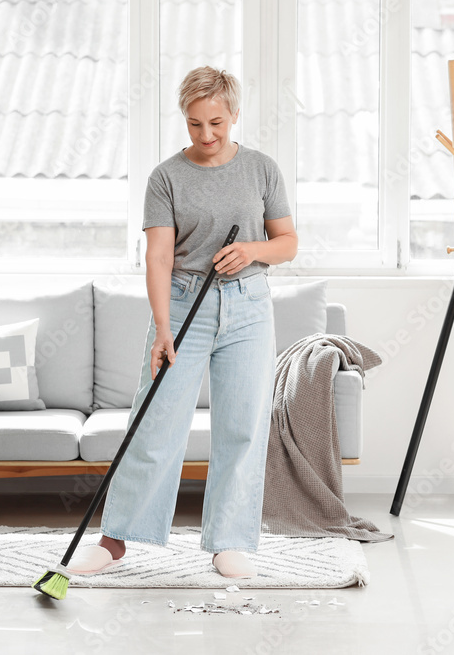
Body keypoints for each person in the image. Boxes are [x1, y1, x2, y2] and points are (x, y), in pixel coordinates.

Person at [68, 66, 298, 579]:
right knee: (154, 422)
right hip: (183, 304)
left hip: (248, 306)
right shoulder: (166, 177)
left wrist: (251, 251)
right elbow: (158, 259)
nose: (207, 135)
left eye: (216, 122)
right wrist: (163, 328)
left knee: (241, 426)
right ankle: (115, 540)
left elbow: (287, 242)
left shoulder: (262, 170)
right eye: (194, 124)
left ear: (235, 114)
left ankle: (229, 541)